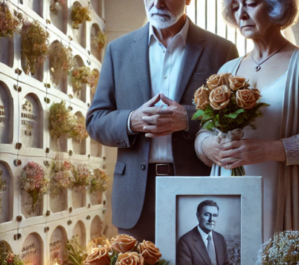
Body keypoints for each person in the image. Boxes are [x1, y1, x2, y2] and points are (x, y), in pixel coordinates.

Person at [86, 0, 239, 241]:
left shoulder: (221, 50)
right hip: (136, 196)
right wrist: (131, 121)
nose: (157, 2)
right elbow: (95, 121)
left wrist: (188, 118)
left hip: (196, 188)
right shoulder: (118, 50)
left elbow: (233, 119)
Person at [194, 0, 299, 244]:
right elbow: (205, 132)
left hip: (284, 196)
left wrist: (272, 149)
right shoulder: (228, 69)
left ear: (277, 6)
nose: (241, 13)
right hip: (229, 194)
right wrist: (207, 147)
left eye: (250, 3)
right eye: (234, 6)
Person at [176, 200, 230, 265]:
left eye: (215, 215)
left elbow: (226, 263)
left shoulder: (220, 238)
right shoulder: (185, 241)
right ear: (198, 216)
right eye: (207, 215)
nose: (211, 219)